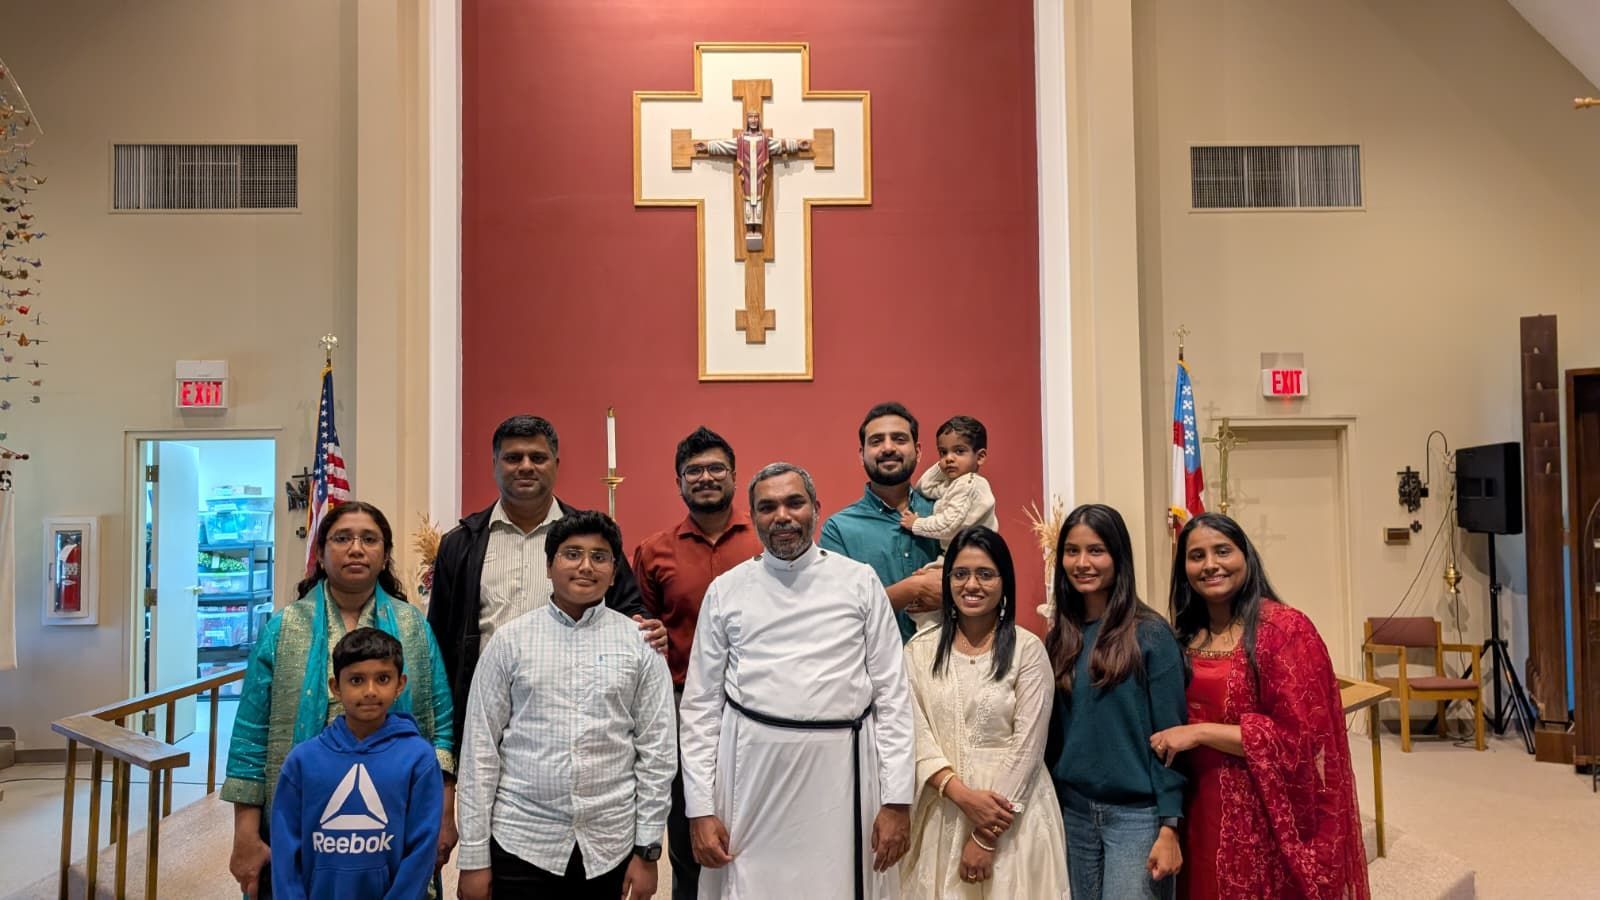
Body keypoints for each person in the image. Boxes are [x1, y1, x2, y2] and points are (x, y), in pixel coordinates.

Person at [680, 462, 915, 900]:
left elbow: (893, 697)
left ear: (816, 509)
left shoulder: (860, 582)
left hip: (843, 776)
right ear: (753, 516)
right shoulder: (726, 591)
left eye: (794, 503)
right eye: (768, 507)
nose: (782, 516)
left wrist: (898, 799)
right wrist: (700, 808)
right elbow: (700, 707)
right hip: (751, 778)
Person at [225, 501, 455, 900]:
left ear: (385, 554)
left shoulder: (413, 626)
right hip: (303, 809)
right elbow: (251, 734)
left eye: (369, 539)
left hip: (392, 815)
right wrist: (245, 833)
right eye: (342, 538)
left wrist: (444, 815)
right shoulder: (284, 628)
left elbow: (441, 728)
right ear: (320, 553)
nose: (356, 549)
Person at [456, 510, 675, 900]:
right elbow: (480, 752)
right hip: (522, 840)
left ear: (613, 572)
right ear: (549, 566)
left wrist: (648, 851)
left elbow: (657, 755)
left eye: (599, 557)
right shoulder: (510, 642)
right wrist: (473, 858)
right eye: (572, 554)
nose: (585, 566)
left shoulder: (641, 645)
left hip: (610, 844)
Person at [1152, 513, 1369, 900]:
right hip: (1193, 805)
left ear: (1246, 556)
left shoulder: (1284, 630)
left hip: (1259, 814)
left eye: (1222, 551)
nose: (1210, 565)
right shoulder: (1182, 635)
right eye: (1197, 556)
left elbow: (1299, 740)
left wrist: (1199, 732)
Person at [427, 415, 664, 762]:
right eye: (513, 457)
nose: (526, 466)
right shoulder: (461, 543)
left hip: (573, 711)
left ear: (556, 464)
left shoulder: (588, 538)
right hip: (484, 712)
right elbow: (440, 641)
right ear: (494, 464)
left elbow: (629, 610)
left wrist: (648, 628)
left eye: (537, 457)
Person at [900, 526, 1068, 898]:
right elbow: (915, 733)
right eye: (960, 574)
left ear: (1004, 582)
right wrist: (960, 794)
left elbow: (1028, 748)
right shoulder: (919, 651)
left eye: (985, 574)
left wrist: (986, 835)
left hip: (1012, 816)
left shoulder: (1027, 650)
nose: (971, 585)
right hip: (943, 808)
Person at [632, 426, 763, 900]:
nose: (705, 478)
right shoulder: (654, 551)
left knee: (758, 823)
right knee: (691, 827)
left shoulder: (765, 540)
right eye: (693, 471)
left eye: (715, 469)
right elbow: (639, 624)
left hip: (761, 702)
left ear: (734, 476)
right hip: (683, 704)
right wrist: (647, 629)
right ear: (679, 482)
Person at [1047, 504, 1187, 900]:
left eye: (1096, 550)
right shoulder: (1061, 637)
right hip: (1074, 814)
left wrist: (1170, 827)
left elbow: (1172, 737)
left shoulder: (1151, 634)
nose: (1082, 563)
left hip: (1136, 818)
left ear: (1118, 556)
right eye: (1072, 551)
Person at [270, 628, 443, 900]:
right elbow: (285, 853)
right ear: (335, 687)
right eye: (356, 680)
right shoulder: (303, 761)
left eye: (383, 679)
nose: (370, 691)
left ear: (400, 684)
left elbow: (422, 848)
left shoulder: (419, 759)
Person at [820, 401, 944, 642]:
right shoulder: (839, 530)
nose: (888, 448)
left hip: (948, 660)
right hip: (872, 664)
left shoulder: (946, 512)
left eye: (899, 439)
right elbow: (836, 614)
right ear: (862, 455)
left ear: (918, 451)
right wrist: (914, 587)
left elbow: (987, 587)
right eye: (876, 441)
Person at [898, 415, 999, 633]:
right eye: (943, 452)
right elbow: (924, 487)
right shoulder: (954, 484)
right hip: (956, 555)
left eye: (959, 451)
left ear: (980, 456)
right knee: (924, 586)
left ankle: (934, 633)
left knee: (928, 588)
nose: (948, 459)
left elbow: (949, 525)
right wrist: (945, 463)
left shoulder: (970, 485)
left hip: (974, 556)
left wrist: (916, 524)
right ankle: (934, 632)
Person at [693, 110, 812, 252]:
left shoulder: (764, 140)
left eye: (756, 117)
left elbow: (780, 145)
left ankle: (758, 229)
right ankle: (750, 228)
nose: (754, 120)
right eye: (751, 117)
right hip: (748, 177)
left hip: (760, 177)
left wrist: (797, 145)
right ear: (747, 120)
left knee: (759, 200)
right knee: (748, 201)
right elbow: (725, 146)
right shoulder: (741, 140)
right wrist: (708, 147)